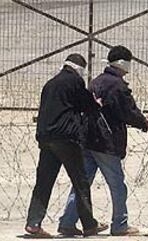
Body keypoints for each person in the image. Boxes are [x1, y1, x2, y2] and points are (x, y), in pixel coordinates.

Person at [57, 46, 148, 236]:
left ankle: (67, 222)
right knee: (117, 185)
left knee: (82, 184)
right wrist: (144, 122)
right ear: (123, 63)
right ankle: (120, 225)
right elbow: (127, 111)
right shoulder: (117, 86)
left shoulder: (96, 82)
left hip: (87, 140)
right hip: (106, 143)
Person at [25, 54, 108, 238]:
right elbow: (88, 105)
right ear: (79, 68)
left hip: (46, 138)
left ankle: (33, 223)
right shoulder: (74, 82)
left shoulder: (50, 84)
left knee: (44, 182)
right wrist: (97, 104)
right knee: (80, 182)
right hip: (66, 139)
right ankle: (89, 225)